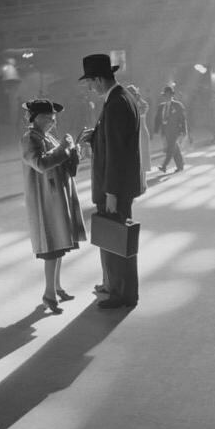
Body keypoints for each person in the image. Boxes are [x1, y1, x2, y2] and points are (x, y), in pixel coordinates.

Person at [77, 53, 143, 310]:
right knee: (112, 236)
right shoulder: (120, 98)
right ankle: (113, 284)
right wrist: (95, 136)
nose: (90, 87)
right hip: (116, 185)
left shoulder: (115, 103)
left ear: (99, 79)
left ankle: (122, 293)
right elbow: (116, 140)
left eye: (90, 82)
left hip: (114, 187)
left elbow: (117, 152)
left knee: (117, 237)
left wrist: (112, 192)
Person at [20, 99, 86, 314]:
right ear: (35, 118)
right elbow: (40, 163)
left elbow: (62, 159)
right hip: (45, 201)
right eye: (48, 117)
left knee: (58, 246)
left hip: (56, 197)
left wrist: (72, 150)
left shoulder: (45, 136)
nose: (52, 121)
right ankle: (49, 294)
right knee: (51, 247)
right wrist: (64, 149)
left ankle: (56, 288)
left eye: (53, 117)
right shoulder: (30, 138)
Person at [153, 85, 186, 173]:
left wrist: (184, 131)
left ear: (172, 95)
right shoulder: (161, 106)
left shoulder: (178, 105)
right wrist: (156, 130)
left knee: (170, 148)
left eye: (169, 95)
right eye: (166, 95)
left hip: (175, 130)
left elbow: (183, 119)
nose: (167, 97)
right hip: (165, 130)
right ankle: (180, 165)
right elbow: (157, 119)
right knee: (174, 147)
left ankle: (164, 166)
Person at [126, 84, 151, 193]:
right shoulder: (127, 105)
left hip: (142, 133)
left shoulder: (142, 104)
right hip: (132, 134)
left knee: (144, 157)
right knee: (134, 159)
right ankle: (136, 182)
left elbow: (144, 109)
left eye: (133, 93)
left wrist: (138, 98)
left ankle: (144, 181)